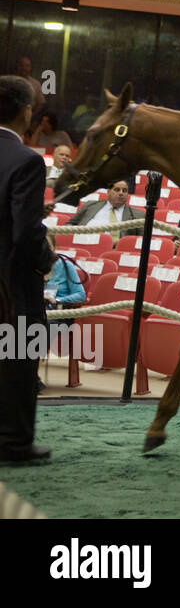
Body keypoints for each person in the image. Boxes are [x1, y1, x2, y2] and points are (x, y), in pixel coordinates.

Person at [0, 75, 56, 463]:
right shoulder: (27, 161)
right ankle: (14, 442)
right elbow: (24, 233)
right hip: (11, 286)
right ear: (25, 112)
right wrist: (45, 257)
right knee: (20, 363)